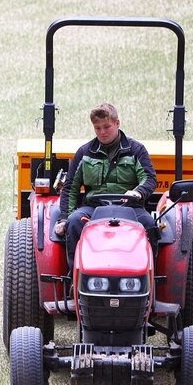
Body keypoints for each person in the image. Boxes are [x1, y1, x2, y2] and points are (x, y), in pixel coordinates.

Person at [54, 102, 158, 269]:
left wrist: (138, 192)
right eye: (97, 128)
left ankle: (150, 278)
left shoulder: (136, 150)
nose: (102, 132)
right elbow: (70, 188)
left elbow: (149, 179)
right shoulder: (84, 152)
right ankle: (74, 276)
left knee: (150, 225)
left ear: (117, 123)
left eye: (106, 126)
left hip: (130, 208)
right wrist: (64, 218)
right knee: (73, 222)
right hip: (93, 209)